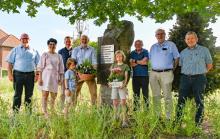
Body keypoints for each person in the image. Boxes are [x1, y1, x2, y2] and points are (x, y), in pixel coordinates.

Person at [176, 31, 213, 126]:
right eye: (188, 39)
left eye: (192, 38)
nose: (190, 40)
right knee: (181, 100)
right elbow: (181, 65)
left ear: (196, 39)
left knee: (199, 101)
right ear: (185, 40)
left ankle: (198, 124)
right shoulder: (183, 53)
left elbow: (209, 65)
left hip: (199, 79)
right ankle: (178, 122)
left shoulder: (204, 50)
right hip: (185, 78)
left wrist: (200, 73)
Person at [149, 28, 180, 119]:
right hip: (153, 73)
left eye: (162, 34)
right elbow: (151, 59)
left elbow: (177, 58)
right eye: (158, 34)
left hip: (166, 73)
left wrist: (172, 69)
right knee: (155, 96)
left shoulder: (171, 45)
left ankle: (168, 117)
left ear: (165, 34)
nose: (160, 35)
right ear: (155, 36)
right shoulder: (153, 47)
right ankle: (157, 116)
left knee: (167, 95)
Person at [6, 33, 40, 112]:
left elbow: (38, 65)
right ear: (20, 39)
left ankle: (28, 113)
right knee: (17, 95)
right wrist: (9, 74)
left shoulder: (34, 51)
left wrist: (37, 75)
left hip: (30, 75)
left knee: (29, 95)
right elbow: (10, 63)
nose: (25, 40)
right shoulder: (15, 49)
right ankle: (15, 114)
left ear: (29, 40)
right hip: (18, 75)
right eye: (23, 39)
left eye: (26, 39)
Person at [37, 38, 64, 118]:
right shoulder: (45, 54)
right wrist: (40, 78)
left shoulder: (59, 56)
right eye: (50, 44)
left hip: (55, 77)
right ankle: (45, 112)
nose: (52, 46)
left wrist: (61, 78)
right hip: (45, 77)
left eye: (53, 44)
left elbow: (61, 68)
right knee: (45, 95)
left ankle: (52, 110)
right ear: (48, 45)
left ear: (56, 45)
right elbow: (40, 67)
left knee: (54, 96)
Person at [71, 35, 97, 105]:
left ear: (88, 40)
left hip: (89, 73)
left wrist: (94, 72)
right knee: (75, 92)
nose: (84, 41)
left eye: (86, 39)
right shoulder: (75, 50)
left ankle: (94, 109)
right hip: (78, 73)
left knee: (93, 92)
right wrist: (76, 72)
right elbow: (73, 62)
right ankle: (72, 110)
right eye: (83, 39)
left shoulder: (92, 49)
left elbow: (94, 62)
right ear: (80, 40)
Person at [108, 50, 130, 127]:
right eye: (117, 56)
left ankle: (124, 120)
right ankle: (115, 118)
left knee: (123, 102)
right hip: (114, 85)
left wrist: (124, 84)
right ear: (115, 57)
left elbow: (126, 77)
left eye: (120, 56)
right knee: (114, 102)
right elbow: (110, 76)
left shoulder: (125, 66)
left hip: (121, 85)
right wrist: (109, 82)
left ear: (122, 57)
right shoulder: (113, 65)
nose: (119, 58)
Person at [130, 40, 149, 111]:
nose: (138, 45)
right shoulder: (132, 53)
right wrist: (141, 61)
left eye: (139, 44)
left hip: (144, 76)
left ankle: (146, 110)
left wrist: (135, 61)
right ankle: (136, 110)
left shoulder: (145, 51)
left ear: (142, 44)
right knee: (136, 94)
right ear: (134, 45)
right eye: (136, 44)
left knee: (145, 94)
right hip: (135, 76)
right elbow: (131, 64)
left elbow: (145, 62)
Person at [58, 36, 73, 109]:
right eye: (66, 41)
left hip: (73, 74)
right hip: (64, 74)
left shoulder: (75, 50)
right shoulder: (60, 51)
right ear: (64, 42)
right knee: (63, 91)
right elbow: (58, 63)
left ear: (71, 42)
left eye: (69, 41)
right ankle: (62, 108)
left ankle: (71, 107)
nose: (68, 42)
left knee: (73, 90)